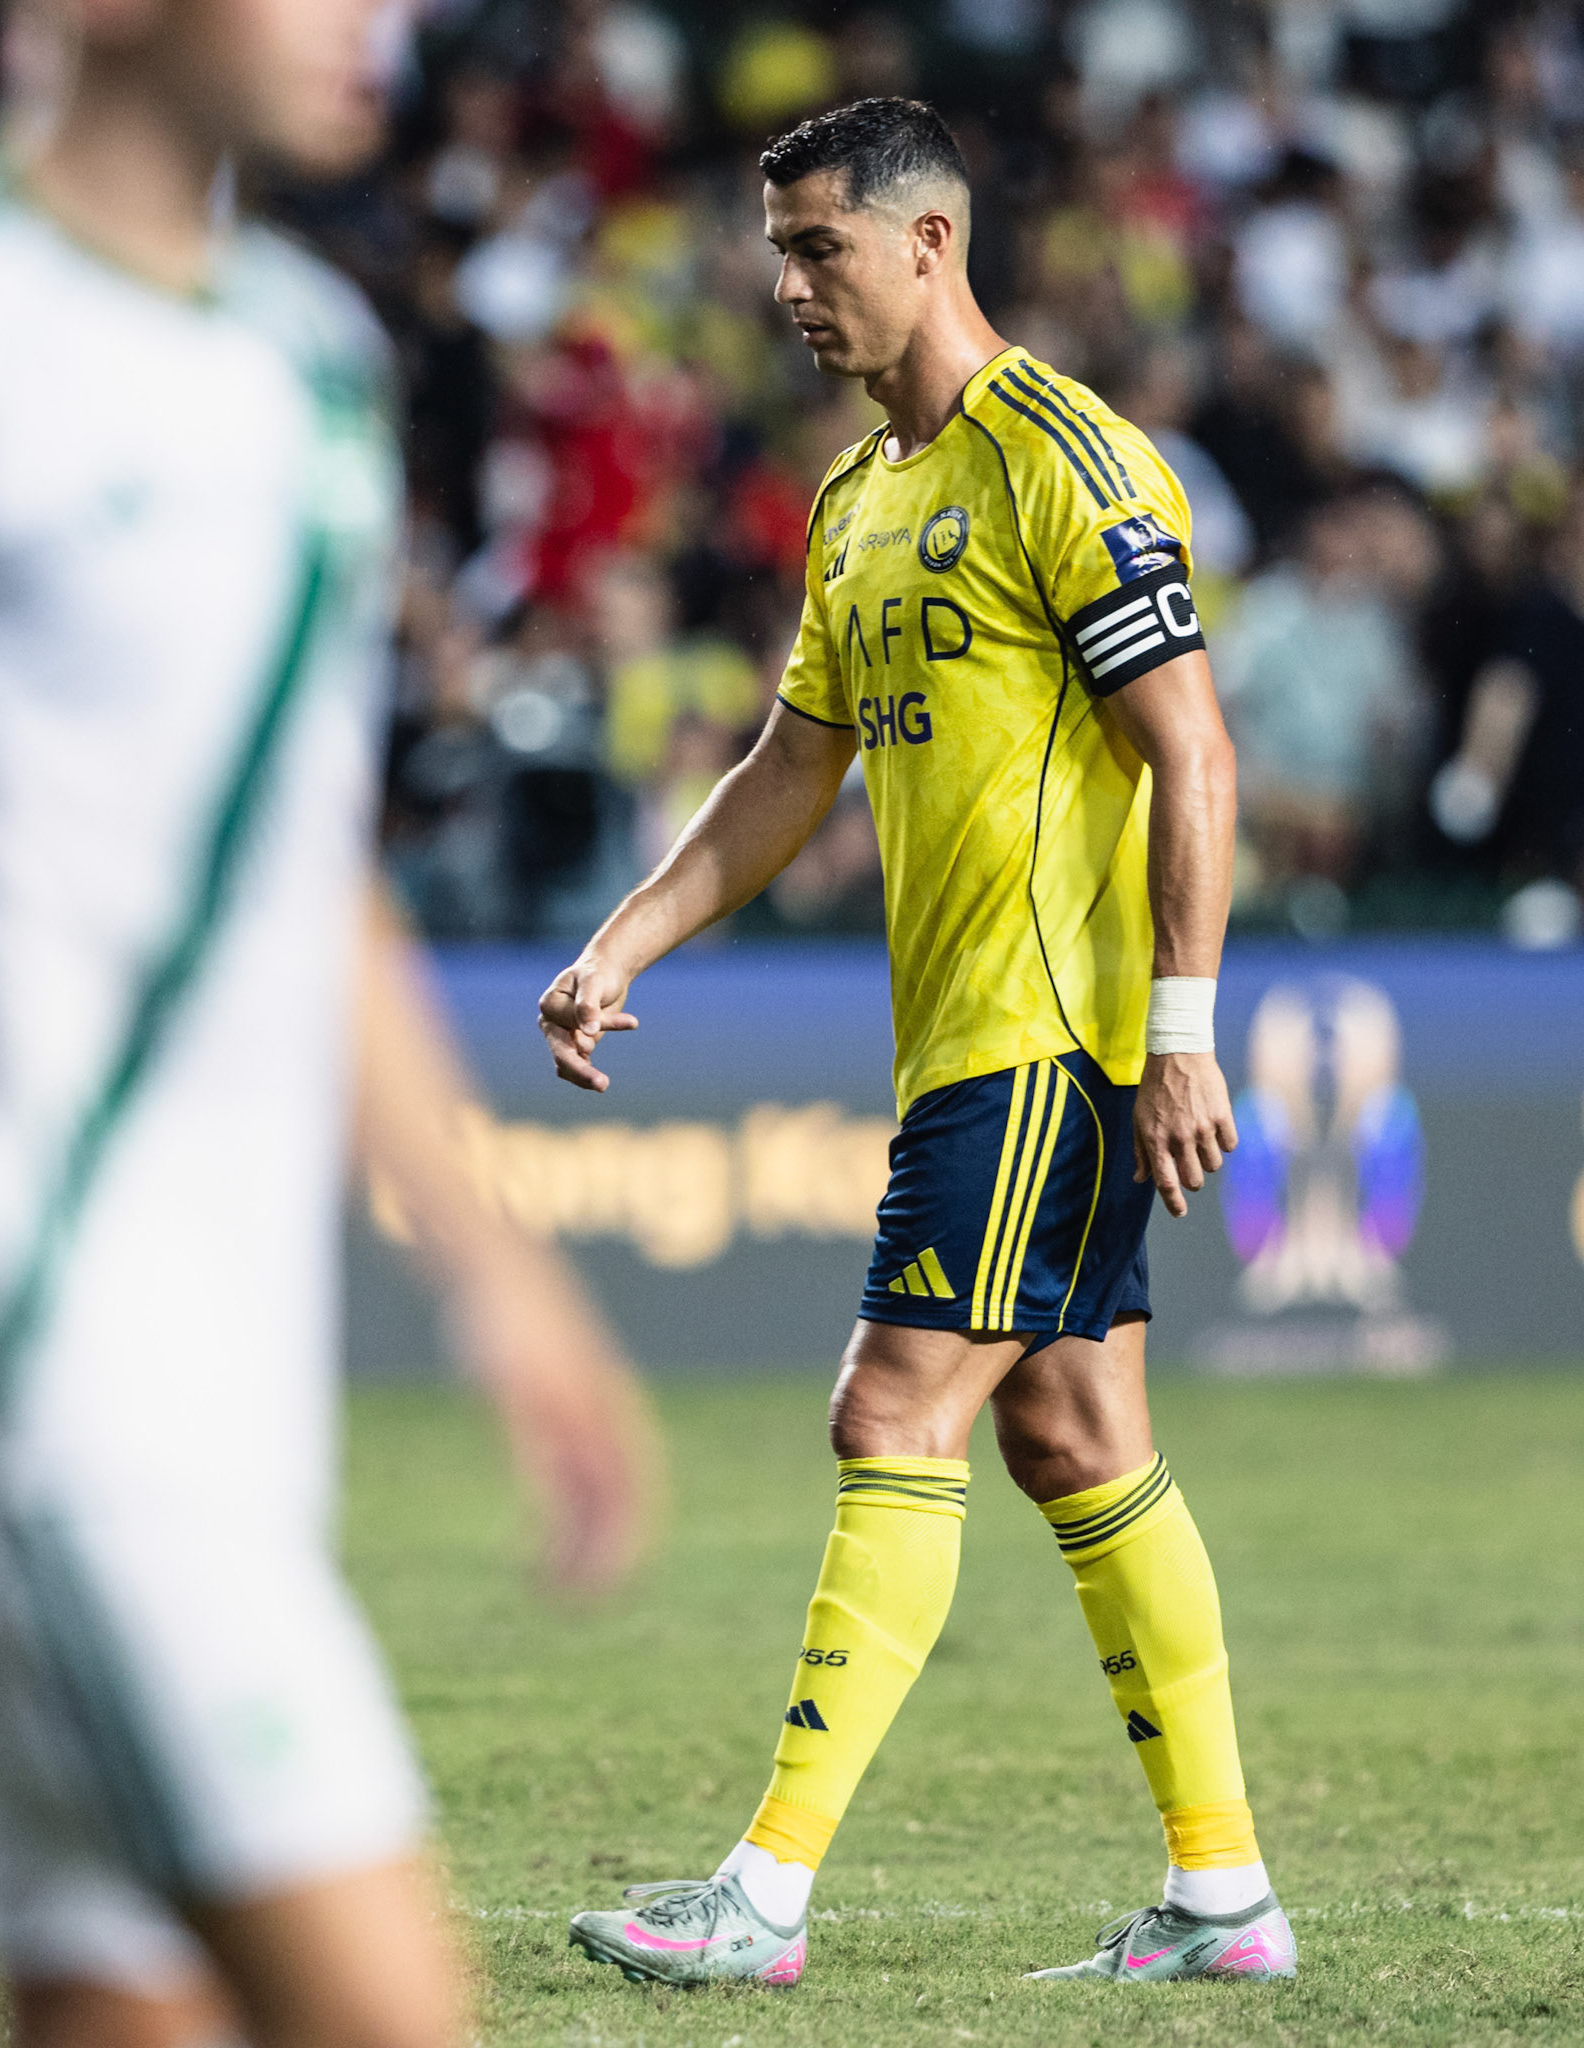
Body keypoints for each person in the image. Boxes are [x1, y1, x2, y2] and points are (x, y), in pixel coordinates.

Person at [0, 4, 655, 2045]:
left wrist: (504, 1276)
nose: (386, 27)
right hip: (50, 1383)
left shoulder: (306, 370)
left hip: (242, 1381)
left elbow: (302, 873)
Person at [544, 96, 1295, 1989]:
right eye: (776, 249)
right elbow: (793, 763)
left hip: (1051, 1043)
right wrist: (627, 934)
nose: (786, 284)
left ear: (931, 242)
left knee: (890, 1413)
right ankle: (1222, 1903)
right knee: (1070, 1426)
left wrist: (1181, 1034)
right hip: (969, 1043)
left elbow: (1190, 747)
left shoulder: (1068, 458)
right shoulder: (857, 498)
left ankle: (765, 1892)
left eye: (820, 247)